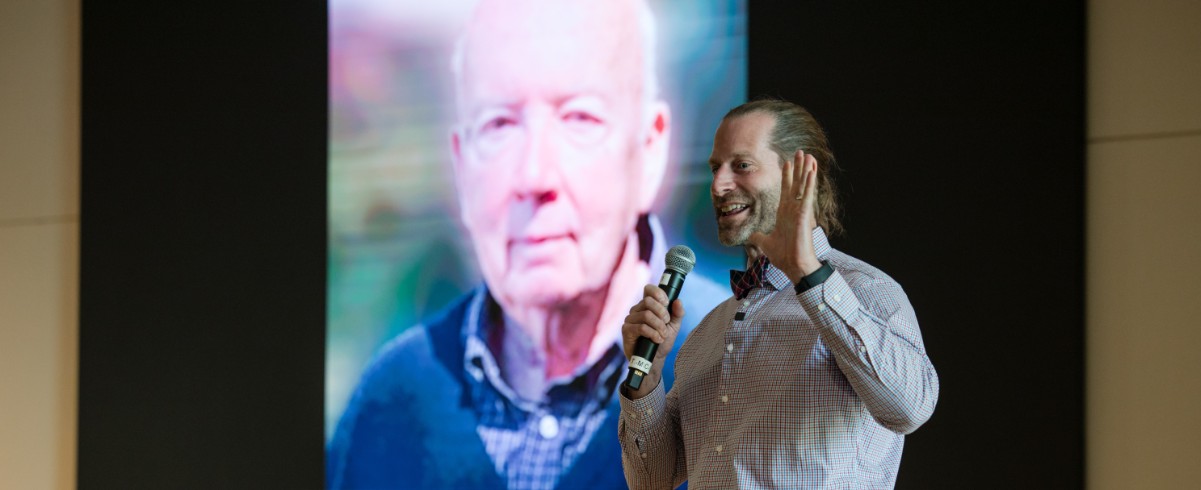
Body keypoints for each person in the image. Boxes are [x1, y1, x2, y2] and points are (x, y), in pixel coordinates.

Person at [326, 1, 728, 489]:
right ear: (461, 166)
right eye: (499, 124)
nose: (534, 175)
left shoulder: (735, 364)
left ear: (649, 149)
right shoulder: (387, 404)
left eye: (580, 118)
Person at [619, 99, 940, 488]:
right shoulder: (709, 330)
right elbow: (652, 482)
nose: (719, 185)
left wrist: (808, 273)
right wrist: (648, 376)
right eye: (714, 168)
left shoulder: (867, 291)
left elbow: (911, 409)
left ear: (797, 176)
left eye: (741, 165)